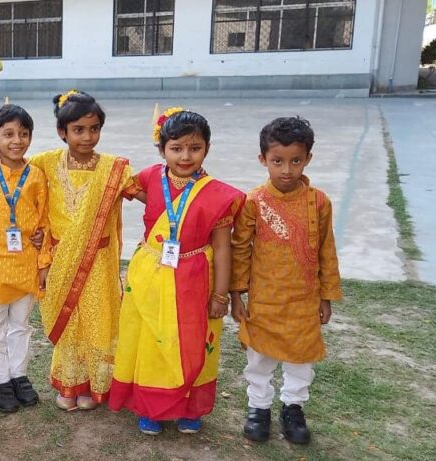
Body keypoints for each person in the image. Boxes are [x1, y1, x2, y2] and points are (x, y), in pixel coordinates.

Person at [0, 91, 139, 411]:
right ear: (62, 132)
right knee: (68, 321)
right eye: (78, 129)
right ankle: (69, 383)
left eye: (94, 129)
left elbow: (143, 191)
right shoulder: (45, 162)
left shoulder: (114, 169)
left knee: (96, 319)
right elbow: (13, 164)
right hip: (59, 259)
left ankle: (94, 385)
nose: (87, 136)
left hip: (97, 259)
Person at [109, 108, 244, 436]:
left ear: (207, 149)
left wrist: (220, 294)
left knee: (192, 342)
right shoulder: (152, 177)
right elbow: (127, 186)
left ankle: (189, 407)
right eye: (176, 148)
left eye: (194, 148)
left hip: (195, 278)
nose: (185, 156)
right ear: (162, 149)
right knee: (152, 341)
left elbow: (224, 247)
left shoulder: (218, 196)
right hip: (150, 273)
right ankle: (149, 406)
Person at [230, 117, 342, 446]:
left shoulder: (318, 202)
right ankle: (258, 408)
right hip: (264, 299)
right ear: (263, 159)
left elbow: (326, 249)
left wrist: (326, 297)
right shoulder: (253, 202)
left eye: (296, 161)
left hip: (304, 299)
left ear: (308, 158)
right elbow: (240, 250)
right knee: (259, 358)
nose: (286, 170)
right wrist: (237, 294)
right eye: (277, 161)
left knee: (300, 359)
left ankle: (293, 407)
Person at [0, 105, 49, 413]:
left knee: (20, 325)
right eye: (7, 134)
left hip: (25, 263)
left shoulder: (36, 176)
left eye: (23, 134)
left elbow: (44, 220)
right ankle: (0, 381)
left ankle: (19, 376)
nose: (16, 140)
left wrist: (43, 259)